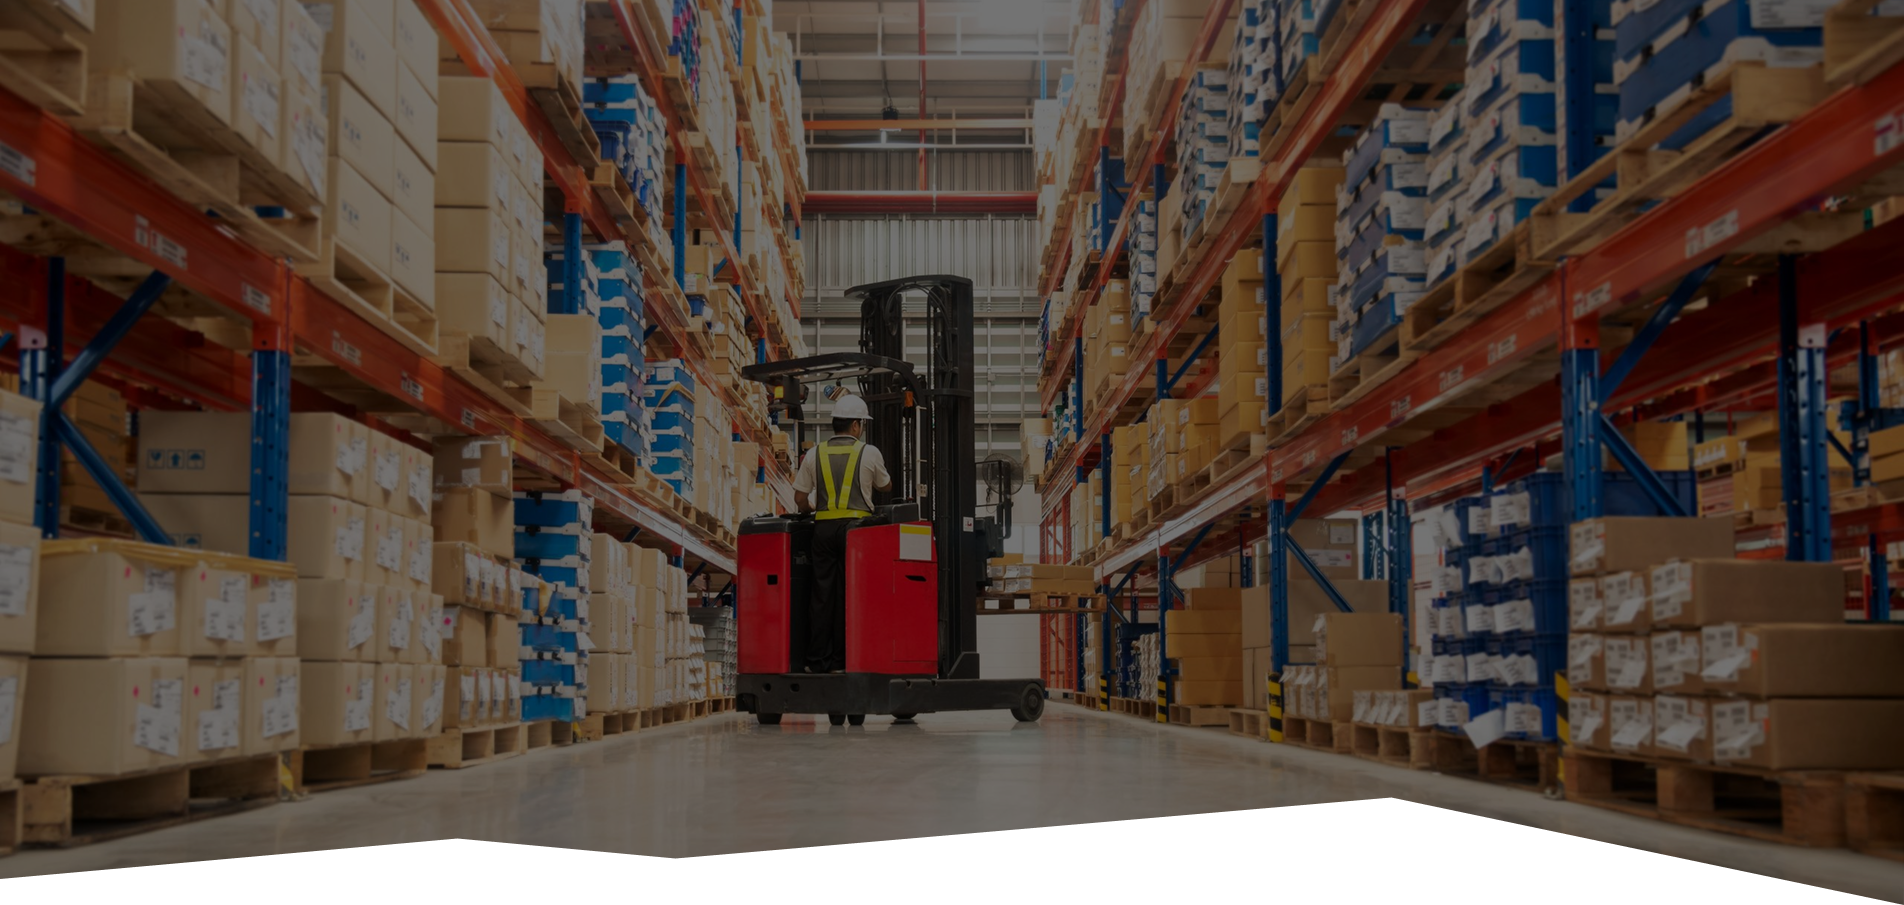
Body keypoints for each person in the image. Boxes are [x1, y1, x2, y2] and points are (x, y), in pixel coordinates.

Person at [790, 393, 893, 674]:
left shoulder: (815, 453)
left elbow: (799, 498)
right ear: (856, 425)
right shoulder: (869, 452)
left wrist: (810, 508)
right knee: (852, 594)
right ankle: (846, 660)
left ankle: (817, 661)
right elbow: (885, 485)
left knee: (822, 595)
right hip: (856, 534)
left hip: (822, 531)